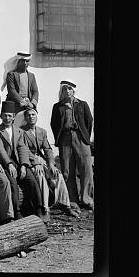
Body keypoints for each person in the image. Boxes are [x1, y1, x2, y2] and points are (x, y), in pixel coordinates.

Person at [20, 108, 79, 218]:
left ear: (36, 116)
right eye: (28, 115)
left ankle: (65, 205)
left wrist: (51, 164)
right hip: (30, 161)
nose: (31, 117)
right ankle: (45, 208)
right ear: (25, 118)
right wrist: (35, 163)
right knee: (40, 176)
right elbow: (24, 150)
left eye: (33, 115)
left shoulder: (42, 131)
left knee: (57, 174)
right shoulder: (21, 131)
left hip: (42, 160)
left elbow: (47, 149)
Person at [0, 101, 44, 220]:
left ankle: (38, 209)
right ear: (1, 116)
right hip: (5, 164)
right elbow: (0, 150)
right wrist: (9, 164)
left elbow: (23, 148)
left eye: (9, 116)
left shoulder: (19, 131)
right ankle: (17, 212)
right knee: (13, 183)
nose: (7, 118)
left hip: (19, 164)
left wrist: (23, 165)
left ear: (14, 117)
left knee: (32, 181)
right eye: (4, 115)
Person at [50, 80, 94, 211]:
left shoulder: (82, 104)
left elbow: (89, 121)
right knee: (67, 170)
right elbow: (54, 124)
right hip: (65, 138)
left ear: (73, 90)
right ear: (61, 91)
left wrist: (85, 136)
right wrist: (59, 138)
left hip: (81, 137)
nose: (67, 91)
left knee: (86, 168)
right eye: (64, 89)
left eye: (69, 89)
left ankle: (87, 199)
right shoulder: (58, 106)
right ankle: (72, 200)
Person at [4, 52, 39, 127]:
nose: (25, 63)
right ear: (18, 61)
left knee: (28, 127)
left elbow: (35, 91)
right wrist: (23, 102)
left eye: (27, 61)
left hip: (29, 107)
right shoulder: (11, 74)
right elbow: (12, 91)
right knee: (14, 127)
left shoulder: (31, 75)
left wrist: (32, 104)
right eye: (23, 61)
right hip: (15, 106)